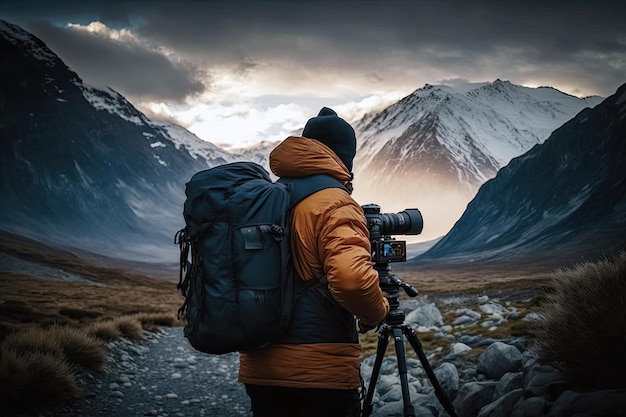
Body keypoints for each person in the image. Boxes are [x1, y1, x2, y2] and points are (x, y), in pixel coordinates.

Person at [238, 107, 390, 416]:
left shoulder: (267, 198)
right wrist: (377, 312)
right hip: (320, 371)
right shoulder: (334, 202)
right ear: (344, 157)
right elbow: (352, 280)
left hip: (259, 367)